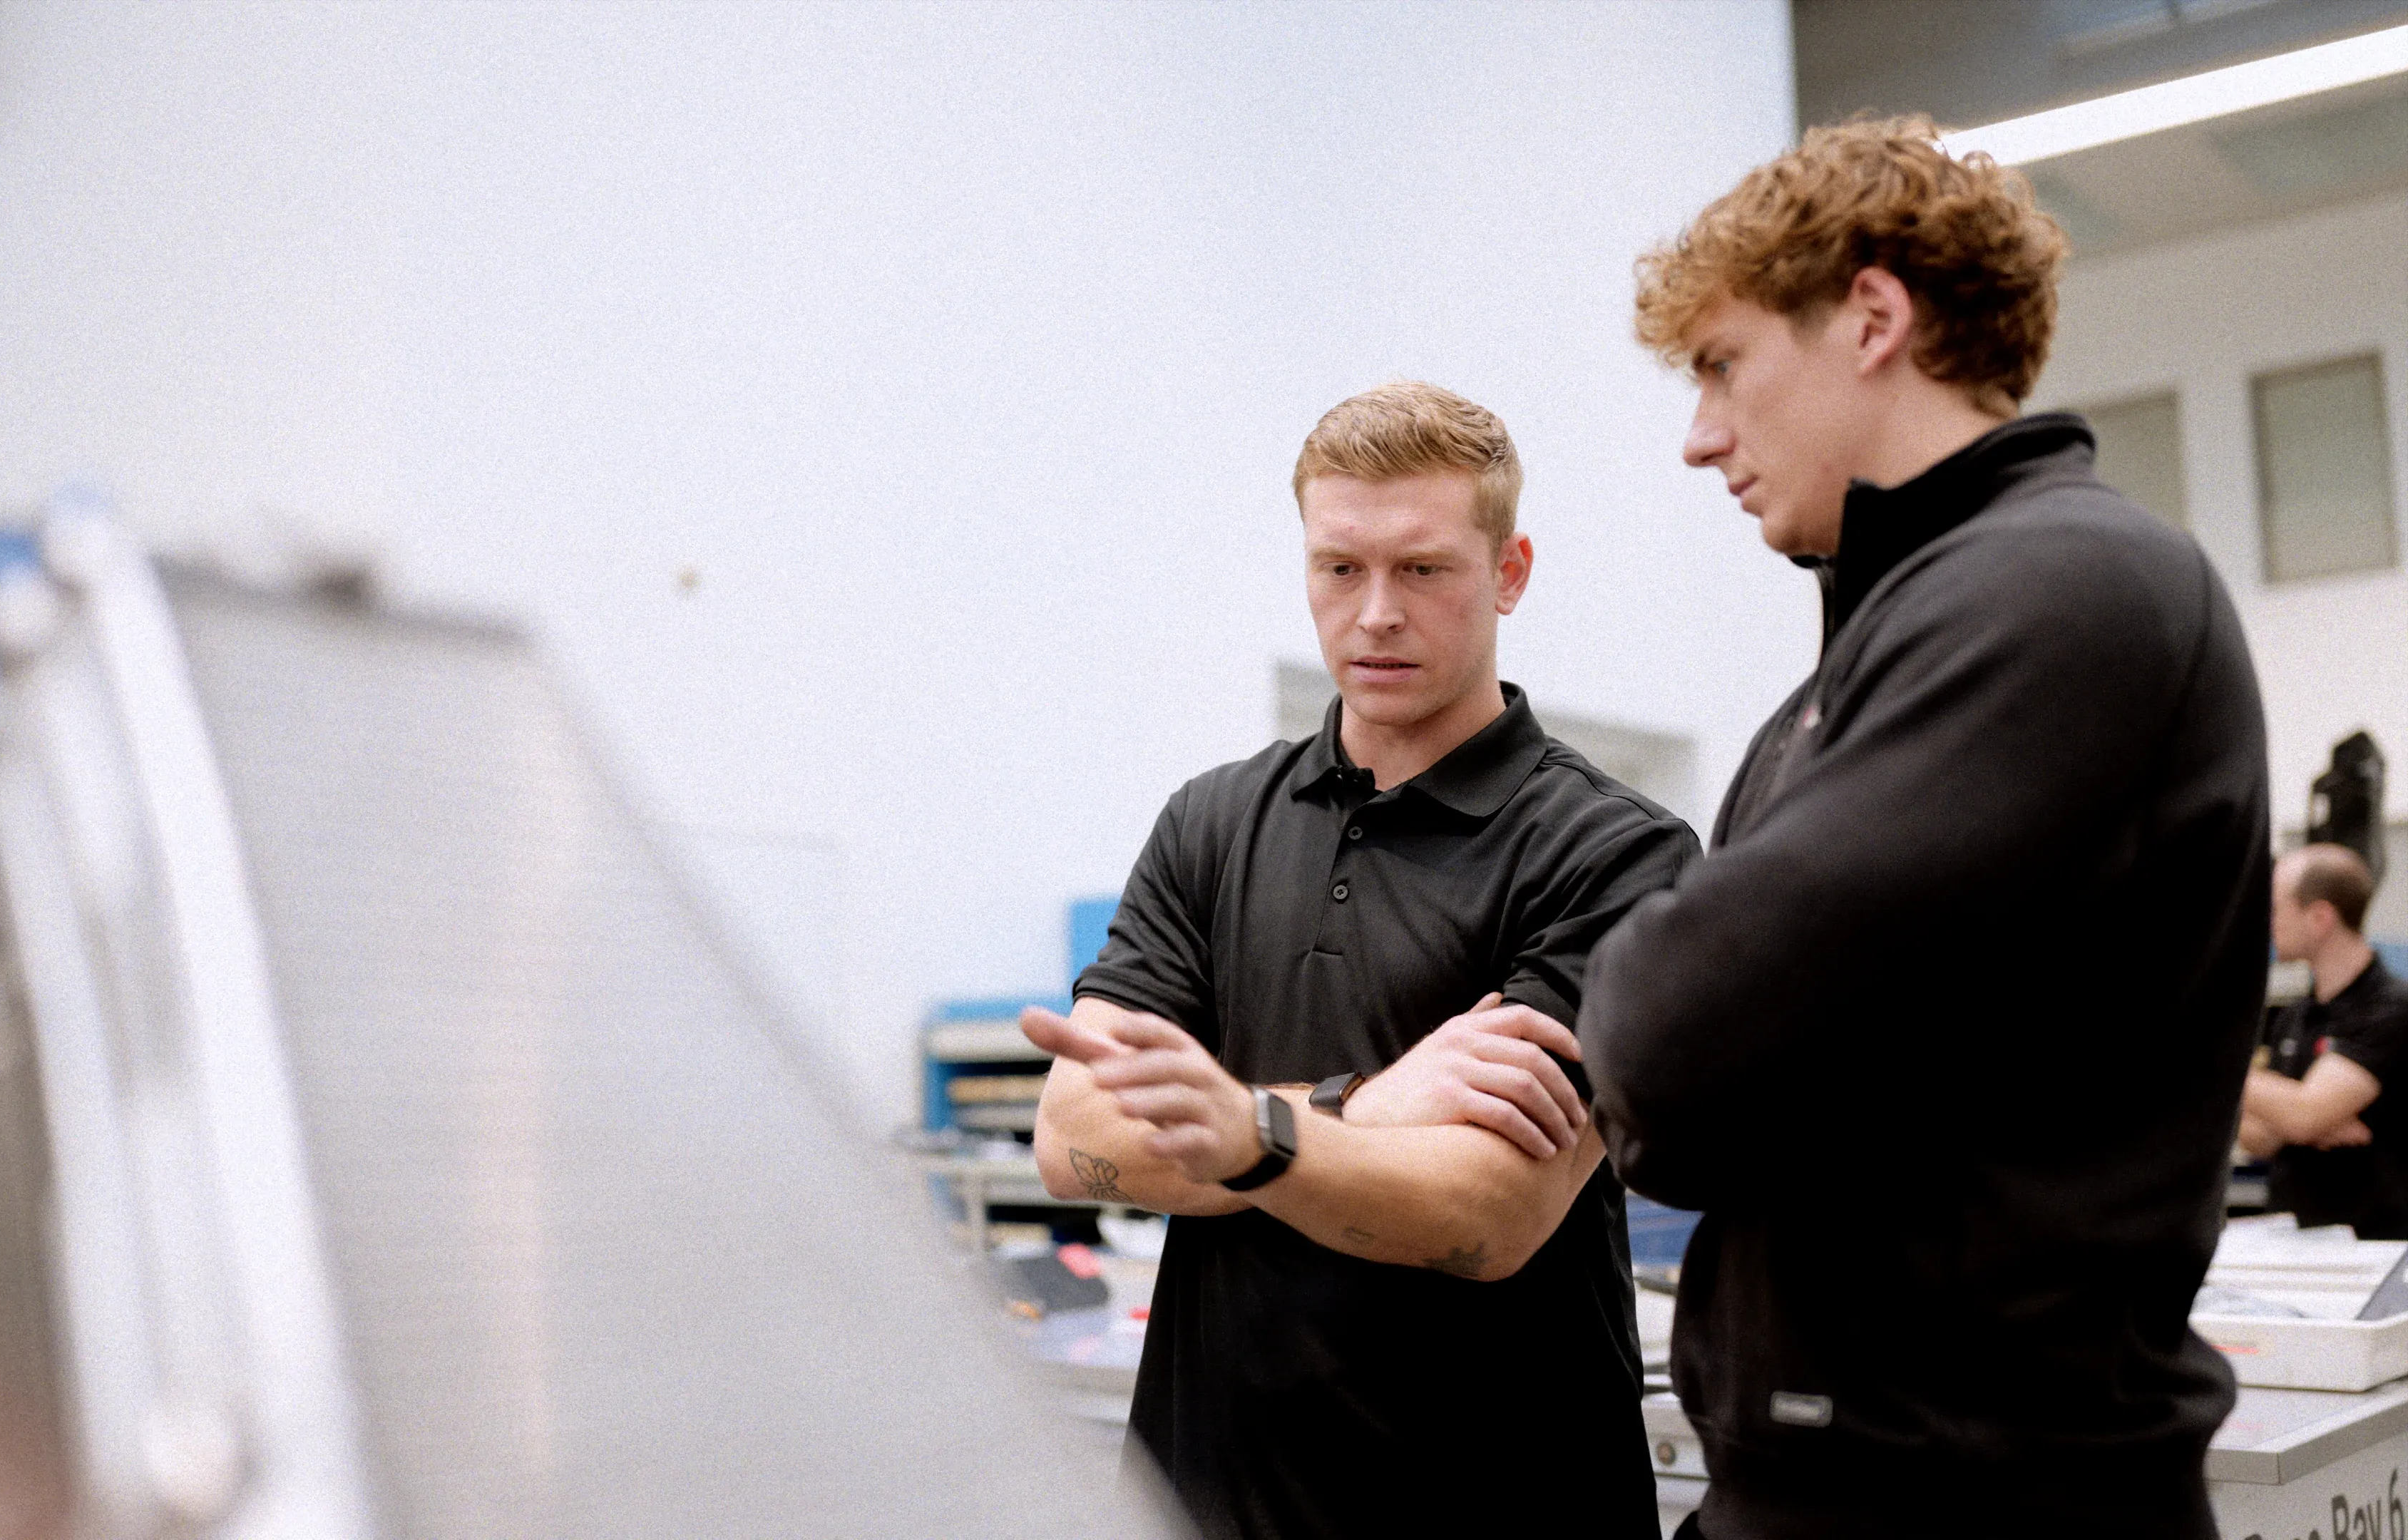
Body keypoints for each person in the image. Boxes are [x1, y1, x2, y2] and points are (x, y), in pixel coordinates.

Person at [1577, 117, 2272, 1539]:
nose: (1701, 436)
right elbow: (1674, 1129)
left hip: (1987, 1499)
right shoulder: (1846, 676)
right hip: (1808, 1485)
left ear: (1874, 319)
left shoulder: (2070, 590)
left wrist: (1672, 1012)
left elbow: (1663, 1027)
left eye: (1722, 366)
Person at [1020, 381, 1697, 1539]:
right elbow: (1073, 1139)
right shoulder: (1211, 823)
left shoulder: (1618, 851)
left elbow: (1490, 1214)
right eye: (1340, 568)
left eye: (1423, 570)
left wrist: (1244, 1133)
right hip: (1207, 1500)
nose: (1376, 613)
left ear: (1510, 571)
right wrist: (1364, 1108)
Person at [2241, 844, 2408, 1235]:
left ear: (2320, 918)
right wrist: (2300, 1115)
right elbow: (2260, 1136)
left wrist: (2212, 1069)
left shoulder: (2389, 1007)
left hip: (2373, 1248)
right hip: (2295, 1240)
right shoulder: (2296, 1016)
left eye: (2277, 908)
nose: (2268, 922)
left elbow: (2303, 1115)